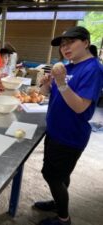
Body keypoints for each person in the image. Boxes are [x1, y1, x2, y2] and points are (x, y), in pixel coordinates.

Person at [35, 26, 103, 225]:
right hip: (56, 130)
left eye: (70, 42)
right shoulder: (69, 66)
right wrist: (47, 82)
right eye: (62, 45)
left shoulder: (93, 68)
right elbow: (47, 94)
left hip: (69, 135)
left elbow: (81, 107)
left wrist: (61, 82)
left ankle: (63, 219)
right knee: (61, 175)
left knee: (51, 176)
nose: (65, 48)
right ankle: (58, 201)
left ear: (86, 43)